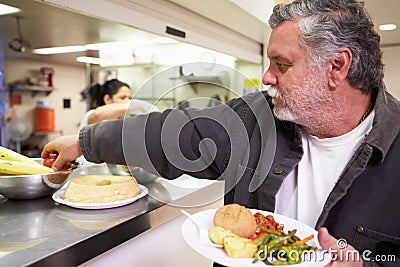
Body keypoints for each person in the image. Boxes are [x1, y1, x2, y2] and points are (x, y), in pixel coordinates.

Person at [42, 0, 399, 266]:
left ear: (337, 67)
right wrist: (82, 142)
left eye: (282, 65)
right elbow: (168, 133)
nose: (266, 77)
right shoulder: (255, 117)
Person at [80, 78, 156, 128]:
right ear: (107, 99)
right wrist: (143, 107)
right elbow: (98, 114)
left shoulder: (122, 119)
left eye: (129, 98)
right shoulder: (91, 115)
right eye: (122, 98)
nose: (127, 101)